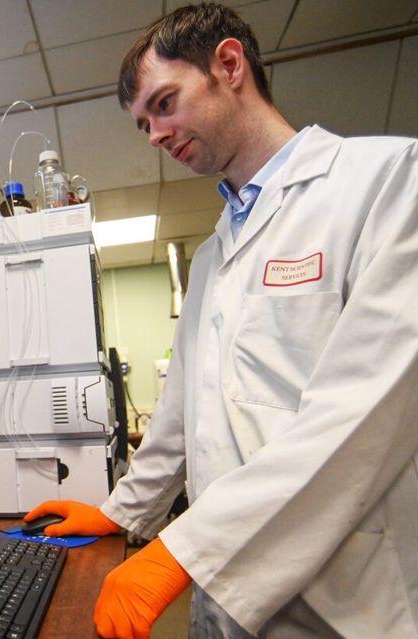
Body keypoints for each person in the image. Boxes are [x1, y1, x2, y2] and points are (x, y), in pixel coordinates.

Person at [24, 3, 418, 638]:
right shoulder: (213, 256)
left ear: (229, 65)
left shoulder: (389, 182)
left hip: (347, 598)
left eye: (164, 103)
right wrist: (120, 512)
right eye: (142, 124)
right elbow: (183, 414)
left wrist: (183, 552)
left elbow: (365, 411)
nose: (154, 134)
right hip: (223, 601)